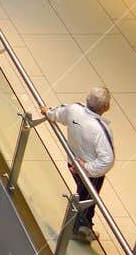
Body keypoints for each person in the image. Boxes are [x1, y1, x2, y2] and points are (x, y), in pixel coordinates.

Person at [41, 87, 114, 242]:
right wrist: (86, 167)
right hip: (89, 173)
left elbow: (58, 113)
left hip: (72, 163)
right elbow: (107, 160)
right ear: (106, 107)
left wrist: (48, 112)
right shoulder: (101, 130)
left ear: (86, 99)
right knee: (86, 200)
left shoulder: (74, 109)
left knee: (82, 195)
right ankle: (79, 229)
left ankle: (83, 227)